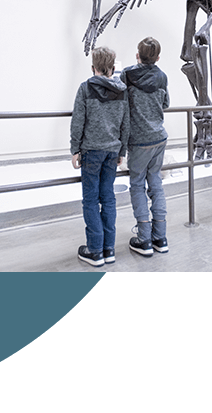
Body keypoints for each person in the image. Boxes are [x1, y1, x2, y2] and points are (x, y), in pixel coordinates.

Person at [70, 46, 129, 267]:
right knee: (109, 198)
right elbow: (126, 123)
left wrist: (75, 149)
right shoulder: (122, 90)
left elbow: (78, 121)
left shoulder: (85, 88)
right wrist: (121, 150)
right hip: (111, 152)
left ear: (93, 67)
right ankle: (109, 248)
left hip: (91, 152)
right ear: (113, 68)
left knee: (91, 200)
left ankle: (95, 250)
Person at [120, 37, 170, 257]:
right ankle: (160, 237)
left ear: (137, 55)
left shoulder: (128, 75)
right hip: (159, 137)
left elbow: (120, 104)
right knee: (156, 184)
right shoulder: (162, 76)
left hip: (139, 141)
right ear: (158, 58)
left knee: (137, 185)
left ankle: (144, 239)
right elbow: (166, 104)